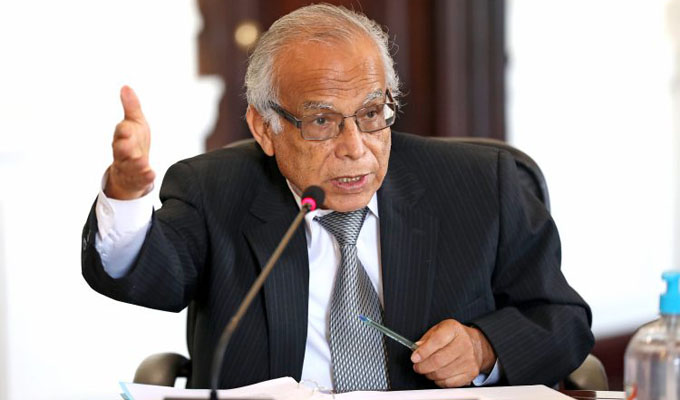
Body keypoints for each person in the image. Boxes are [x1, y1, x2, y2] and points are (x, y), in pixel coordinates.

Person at [81, 4, 593, 392]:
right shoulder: (214, 190)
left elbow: (563, 321)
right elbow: (145, 274)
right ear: (264, 128)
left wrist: (484, 348)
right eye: (322, 121)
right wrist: (127, 195)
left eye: (371, 114)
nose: (355, 149)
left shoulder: (481, 185)